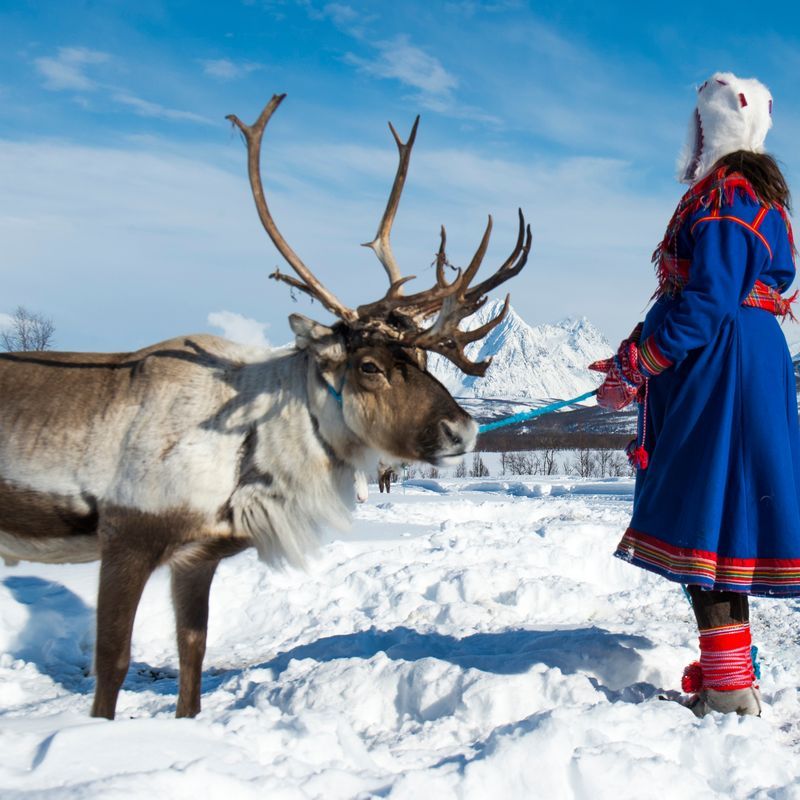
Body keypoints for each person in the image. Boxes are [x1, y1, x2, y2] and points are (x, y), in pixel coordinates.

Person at [591, 72, 800, 717]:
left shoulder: (727, 201)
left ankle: (730, 690)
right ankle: (729, 675)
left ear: (709, 129)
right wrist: (637, 351)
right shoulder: (747, 197)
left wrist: (641, 365)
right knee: (720, 518)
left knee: (709, 514)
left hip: (721, 371)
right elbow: (695, 297)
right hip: (734, 361)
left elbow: (706, 303)